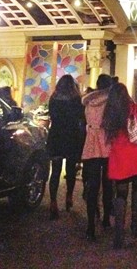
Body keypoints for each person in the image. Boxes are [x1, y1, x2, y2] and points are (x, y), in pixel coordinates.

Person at [102, 82, 137, 250]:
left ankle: (119, 233)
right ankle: (135, 227)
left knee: (120, 195)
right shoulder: (136, 108)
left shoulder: (110, 111)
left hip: (119, 160)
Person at [46, 74, 86, 220]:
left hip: (56, 136)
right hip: (71, 137)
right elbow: (81, 118)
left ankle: (53, 202)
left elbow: (52, 116)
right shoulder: (77, 100)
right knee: (70, 170)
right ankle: (69, 197)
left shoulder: (53, 99)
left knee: (55, 171)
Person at [81, 73, 114, 242]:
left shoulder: (88, 101)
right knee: (108, 184)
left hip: (91, 143)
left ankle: (90, 226)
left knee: (92, 185)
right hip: (107, 143)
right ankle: (107, 218)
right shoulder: (111, 101)